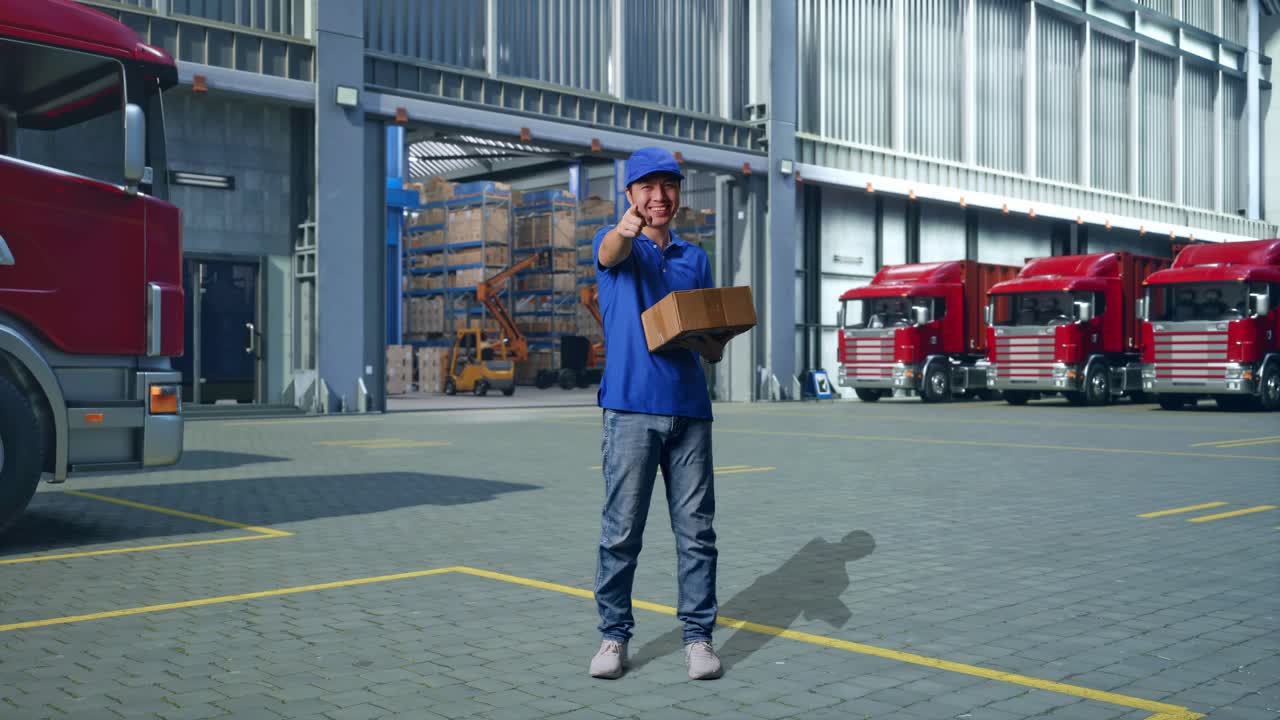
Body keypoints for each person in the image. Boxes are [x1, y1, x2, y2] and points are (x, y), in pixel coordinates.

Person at [588, 147, 726, 681]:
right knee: (622, 530)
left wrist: (714, 344)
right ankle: (613, 637)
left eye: (668, 185)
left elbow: (704, 330)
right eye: (647, 187)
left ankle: (698, 638)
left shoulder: (695, 258)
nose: (659, 196)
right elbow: (608, 250)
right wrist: (623, 230)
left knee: (697, 533)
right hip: (629, 410)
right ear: (630, 195)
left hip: (690, 409)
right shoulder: (619, 250)